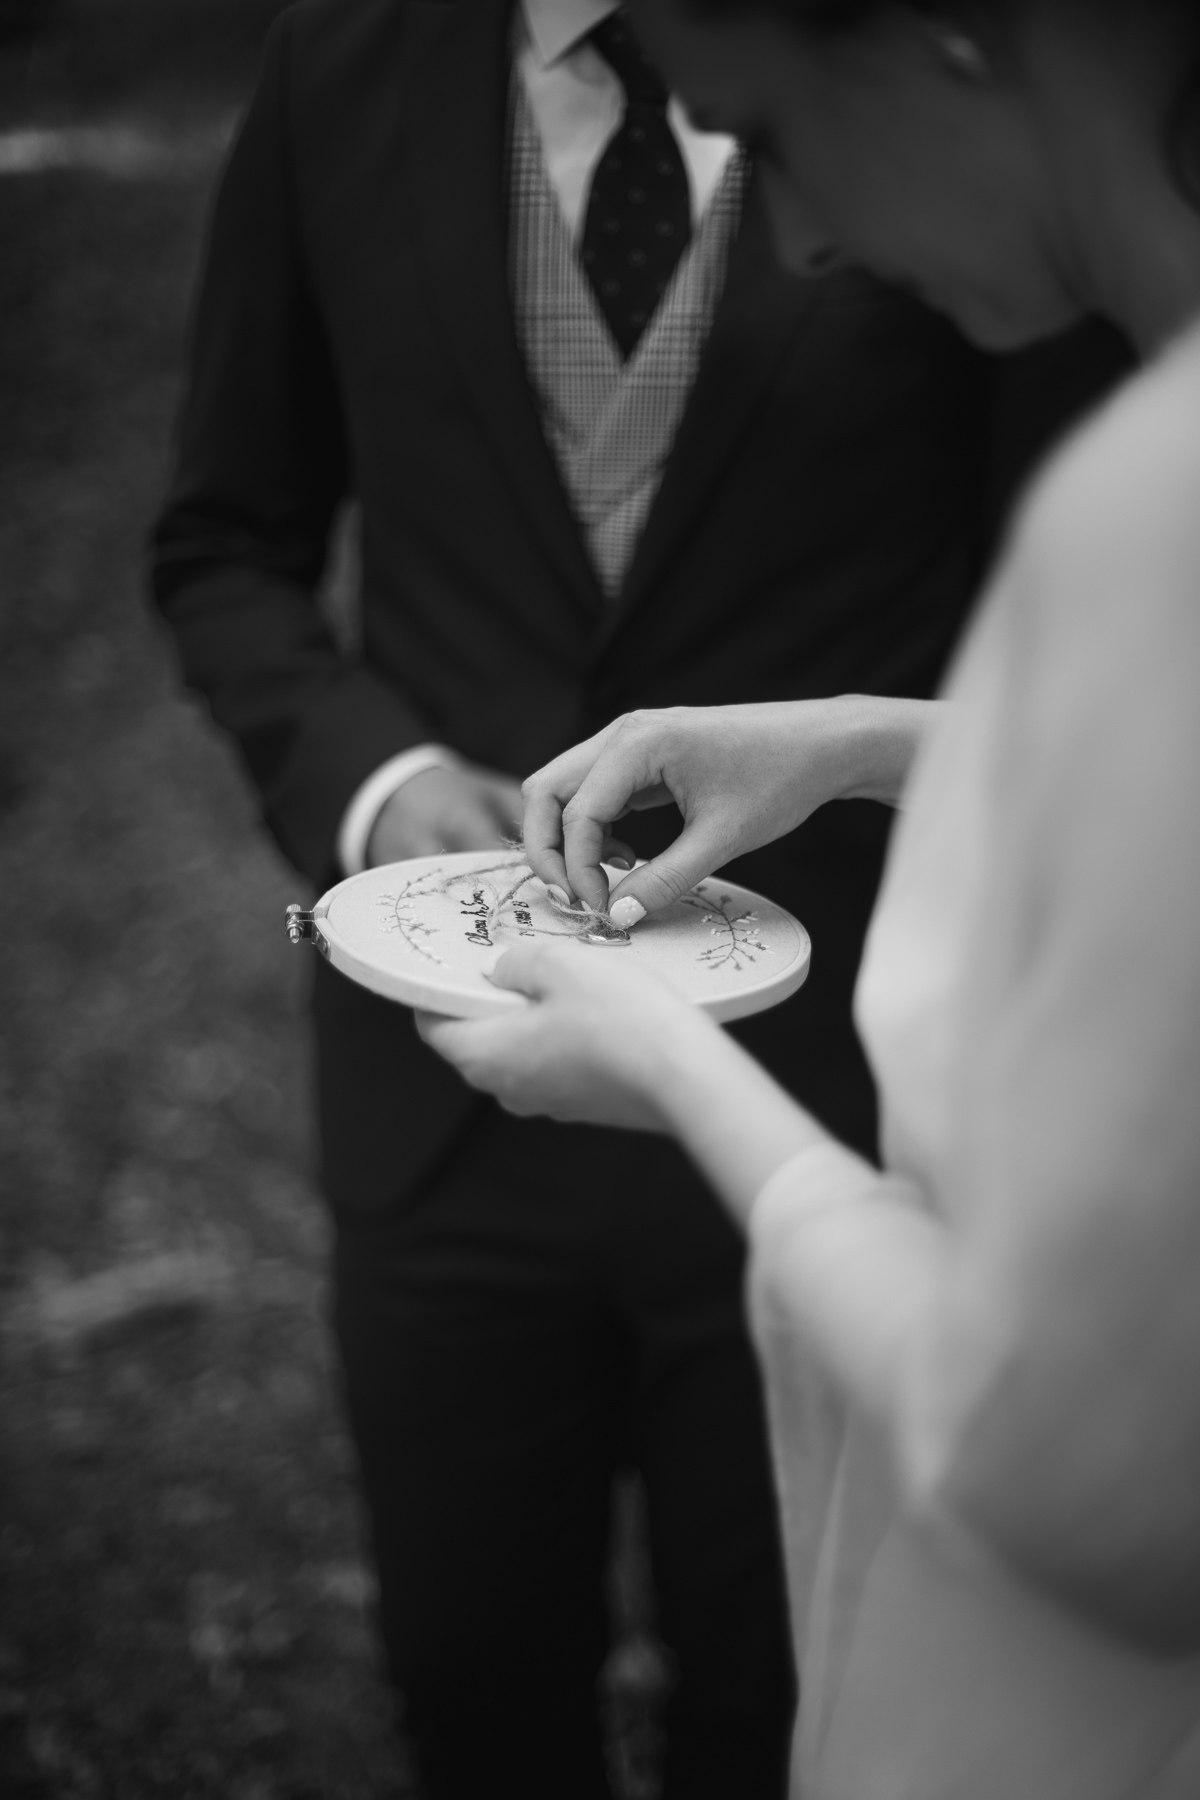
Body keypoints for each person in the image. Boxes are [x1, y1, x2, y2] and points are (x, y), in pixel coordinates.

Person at [419, 0, 1200, 1794]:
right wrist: (865, 739)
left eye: (761, 136)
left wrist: (680, 1072)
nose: (796, 238)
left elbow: (1081, 1491)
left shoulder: (1145, 511)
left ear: (949, 35)